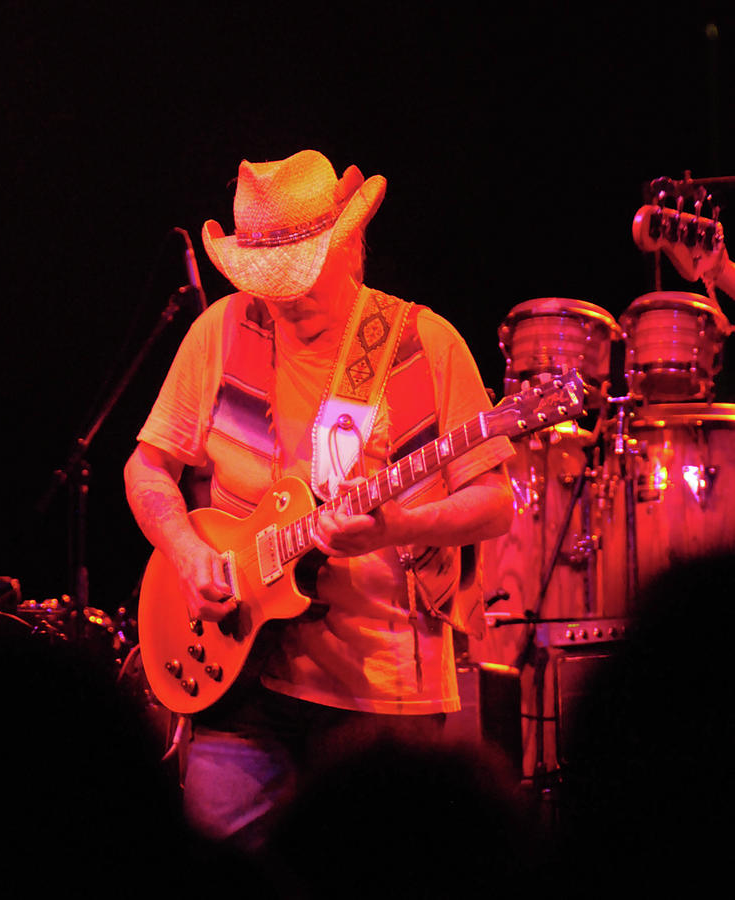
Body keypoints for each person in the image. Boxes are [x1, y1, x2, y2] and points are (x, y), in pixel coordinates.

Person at [123, 149, 516, 854]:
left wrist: (400, 525)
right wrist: (185, 554)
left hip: (380, 696)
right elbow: (147, 466)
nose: (282, 297)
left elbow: (493, 503)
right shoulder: (219, 332)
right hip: (238, 677)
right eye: (266, 281)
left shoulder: (421, 345)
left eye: (298, 276)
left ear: (351, 244)